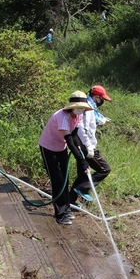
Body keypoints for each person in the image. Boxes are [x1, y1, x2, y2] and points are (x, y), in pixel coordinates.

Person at [39, 91, 93, 225]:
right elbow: (69, 140)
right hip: (49, 148)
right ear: (72, 106)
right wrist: (81, 160)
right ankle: (60, 214)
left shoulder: (78, 116)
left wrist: (82, 151)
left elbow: (74, 135)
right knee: (57, 180)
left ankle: (66, 208)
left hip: (60, 148)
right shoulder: (62, 116)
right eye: (79, 107)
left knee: (65, 179)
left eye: (83, 108)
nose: (81, 110)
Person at [68, 84, 113, 205]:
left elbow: (92, 122)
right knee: (104, 169)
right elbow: (83, 128)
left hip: (81, 143)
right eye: (102, 99)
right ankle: (82, 188)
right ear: (97, 97)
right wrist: (88, 146)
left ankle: (70, 201)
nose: (102, 101)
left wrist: (102, 121)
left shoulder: (90, 106)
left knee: (83, 172)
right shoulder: (88, 108)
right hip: (84, 145)